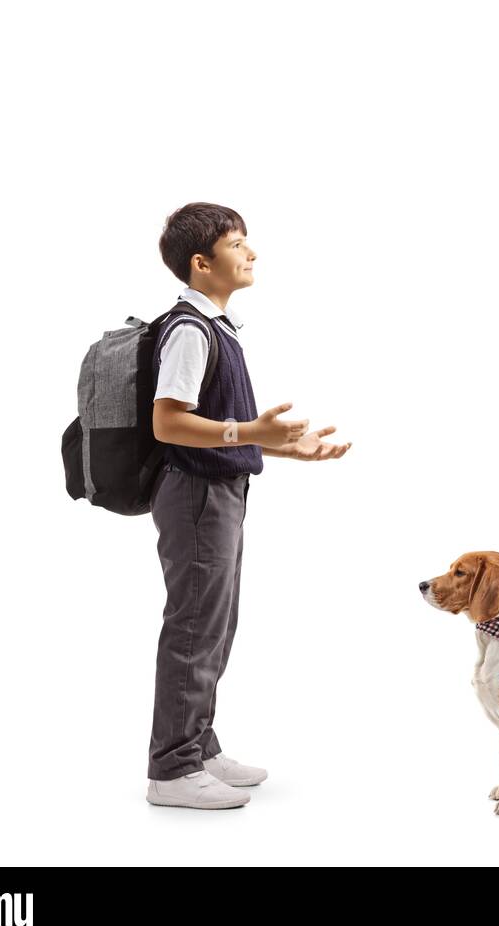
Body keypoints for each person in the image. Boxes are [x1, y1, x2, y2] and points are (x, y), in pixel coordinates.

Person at [145, 202, 352, 810]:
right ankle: (173, 768)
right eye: (238, 243)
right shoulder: (189, 328)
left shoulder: (219, 328)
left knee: (214, 622)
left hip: (218, 491)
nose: (252, 252)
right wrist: (248, 434)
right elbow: (169, 424)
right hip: (194, 494)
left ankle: (199, 747)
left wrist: (282, 446)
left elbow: (227, 429)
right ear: (201, 263)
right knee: (193, 625)